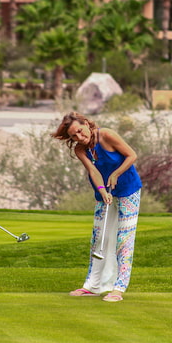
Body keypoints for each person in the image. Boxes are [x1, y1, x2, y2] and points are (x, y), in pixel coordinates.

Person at [52, 112, 142, 303]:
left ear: (86, 123)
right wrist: (102, 190)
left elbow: (132, 155)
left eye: (79, 131)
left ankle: (119, 288)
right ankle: (92, 286)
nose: (78, 137)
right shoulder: (80, 150)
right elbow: (93, 171)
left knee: (123, 238)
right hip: (104, 191)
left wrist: (116, 174)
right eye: (73, 136)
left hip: (128, 189)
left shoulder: (107, 135)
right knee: (99, 237)